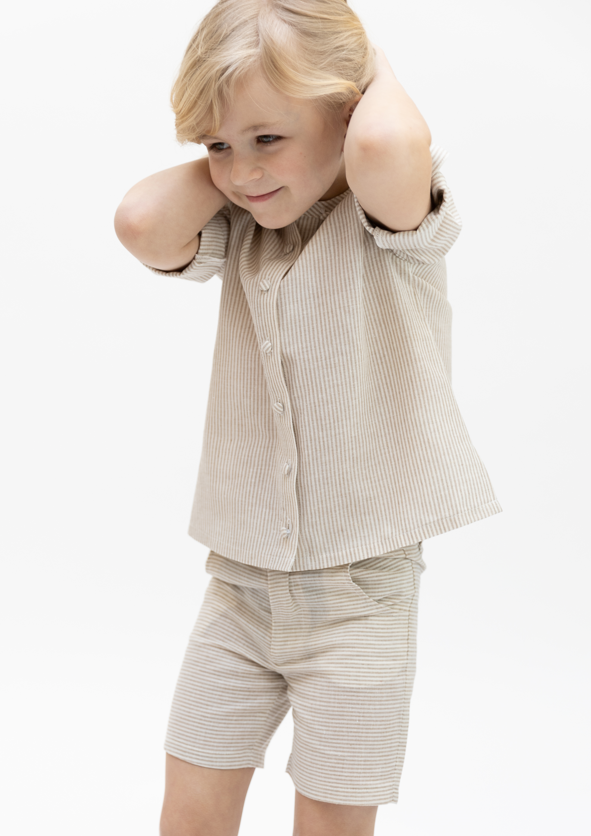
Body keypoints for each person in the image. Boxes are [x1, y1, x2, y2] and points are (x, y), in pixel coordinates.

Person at [114, 1, 502, 834]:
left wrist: (363, 70)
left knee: (329, 821)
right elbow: (141, 223)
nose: (242, 172)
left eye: (267, 138)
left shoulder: (391, 215)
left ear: (347, 109)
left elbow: (386, 144)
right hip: (240, 587)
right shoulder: (245, 225)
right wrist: (240, 154)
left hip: (359, 593)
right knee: (188, 814)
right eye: (217, 146)